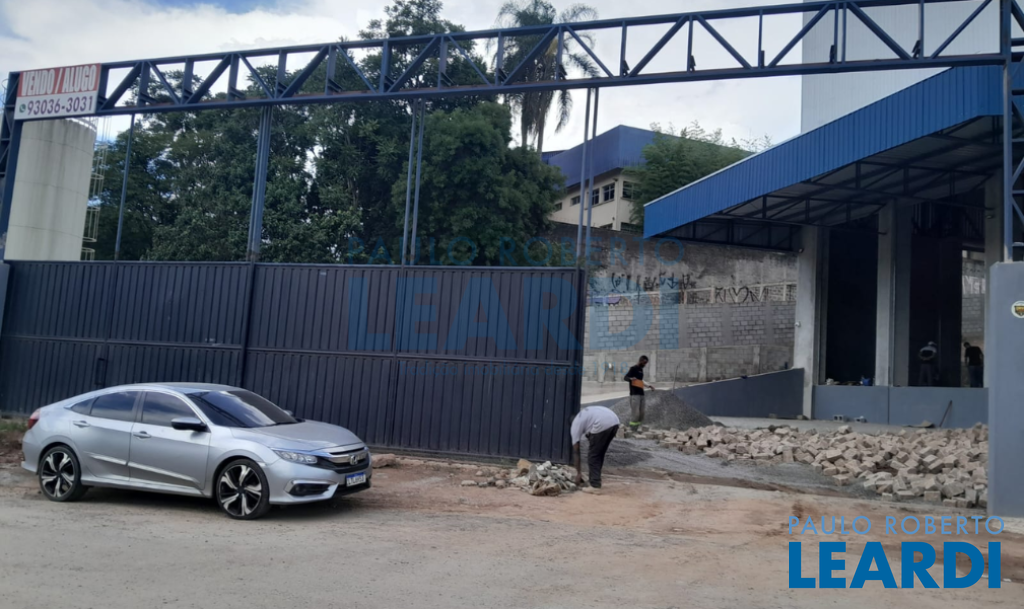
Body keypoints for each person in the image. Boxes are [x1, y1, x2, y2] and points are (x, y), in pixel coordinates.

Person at [571, 405, 620, 489]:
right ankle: (594, 479)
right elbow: (591, 436)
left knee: (593, 456)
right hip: (615, 421)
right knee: (600, 453)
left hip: (602, 423)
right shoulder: (584, 416)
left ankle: (595, 484)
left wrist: (578, 473)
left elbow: (576, 452)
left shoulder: (575, 426)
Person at [623, 356, 654, 430]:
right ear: (640, 361)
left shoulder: (641, 370)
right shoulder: (633, 368)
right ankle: (633, 428)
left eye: (646, 363)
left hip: (641, 394)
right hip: (634, 394)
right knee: (635, 413)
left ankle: (637, 427)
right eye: (644, 363)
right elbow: (625, 377)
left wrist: (649, 385)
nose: (645, 364)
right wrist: (631, 379)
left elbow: (641, 380)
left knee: (642, 413)